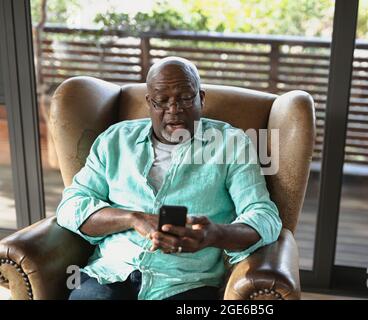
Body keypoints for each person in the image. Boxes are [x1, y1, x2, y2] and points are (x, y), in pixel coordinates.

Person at [56, 56, 282, 300]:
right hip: (109, 273)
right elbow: (71, 205)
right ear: (149, 103)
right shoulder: (115, 140)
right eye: (162, 101)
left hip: (186, 282)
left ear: (201, 98)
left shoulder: (232, 144)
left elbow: (264, 215)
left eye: (185, 98)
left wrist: (214, 235)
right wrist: (134, 219)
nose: (174, 110)